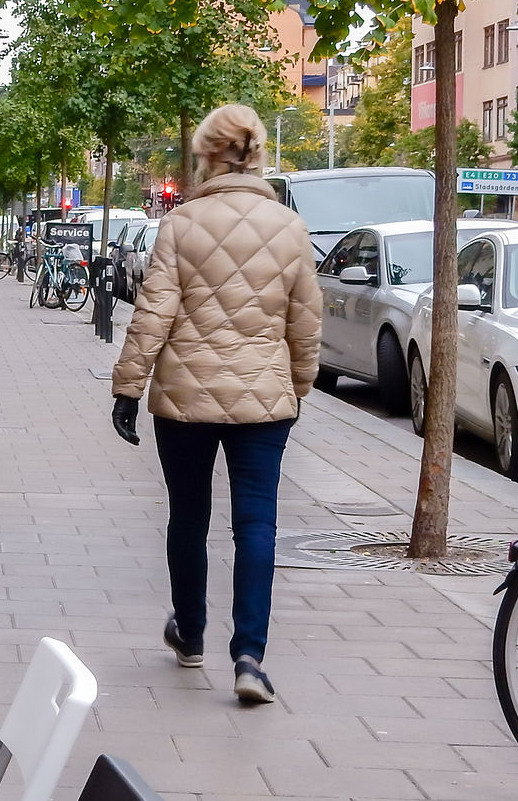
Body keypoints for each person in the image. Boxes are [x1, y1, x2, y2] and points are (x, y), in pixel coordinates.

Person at [110, 103, 321, 704]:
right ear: (257, 155)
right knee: (256, 523)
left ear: (205, 155)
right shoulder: (289, 227)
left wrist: (128, 387)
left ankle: (191, 633)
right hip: (264, 401)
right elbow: (305, 323)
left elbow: (153, 313)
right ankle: (249, 658)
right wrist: (296, 387)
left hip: (185, 399)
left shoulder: (181, 224)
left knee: (188, 517)